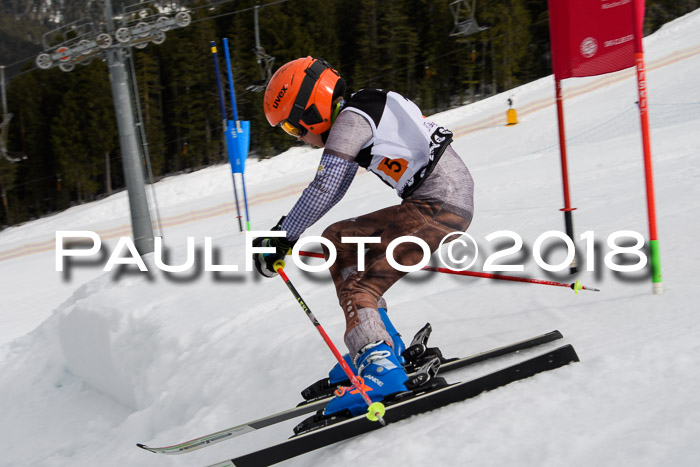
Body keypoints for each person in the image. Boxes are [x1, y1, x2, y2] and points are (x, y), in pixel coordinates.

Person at [253, 56, 474, 417]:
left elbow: (326, 186)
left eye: (294, 129)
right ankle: (380, 346)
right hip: (435, 202)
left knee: (361, 288)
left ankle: (380, 367)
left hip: (439, 207)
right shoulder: (360, 110)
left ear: (311, 108)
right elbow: (335, 186)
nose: (300, 139)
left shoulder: (352, 119)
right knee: (339, 239)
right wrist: (284, 235)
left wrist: (281, 235)